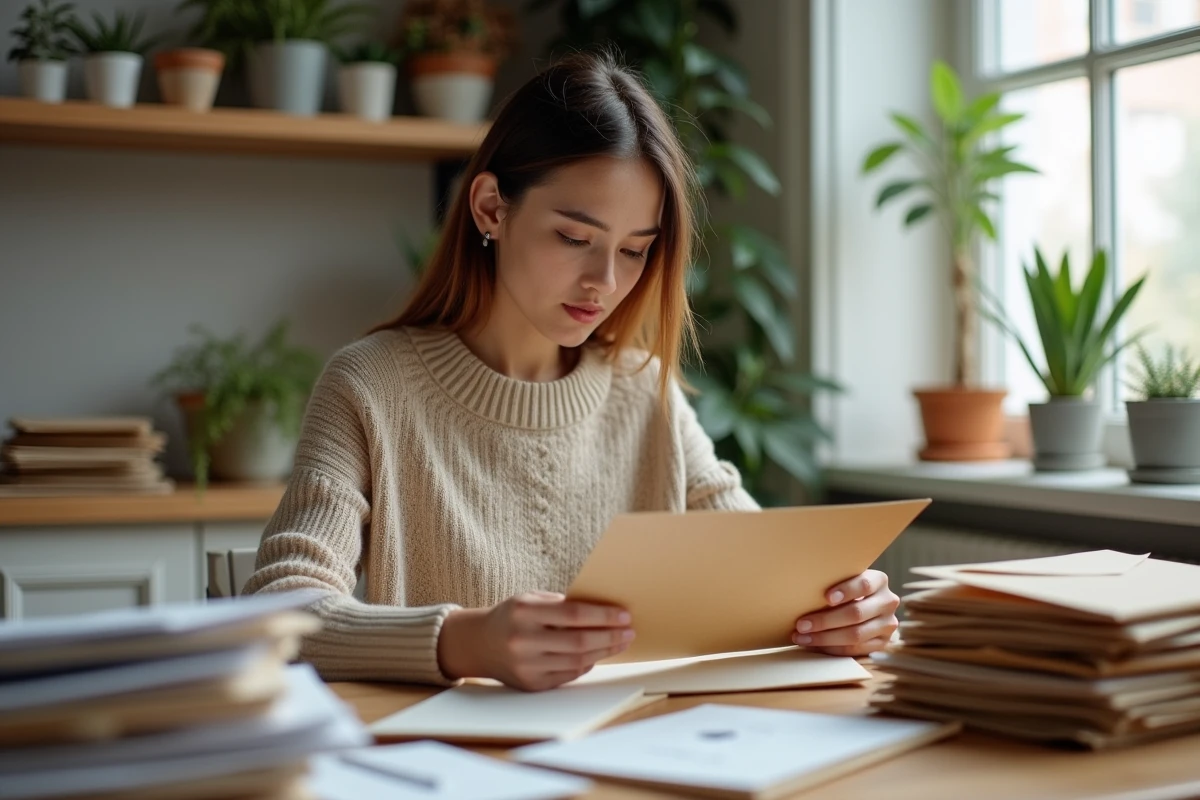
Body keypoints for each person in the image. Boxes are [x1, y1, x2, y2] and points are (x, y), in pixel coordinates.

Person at [244, 50, 900, 692]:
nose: (605, 281)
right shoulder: (369, 386)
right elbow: (280, 611)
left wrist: (840, 605)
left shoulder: (643, 390)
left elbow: (767, 571)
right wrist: (467, 641)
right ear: (490, 208)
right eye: (575, 238)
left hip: (638, 750)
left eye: (635, 251)